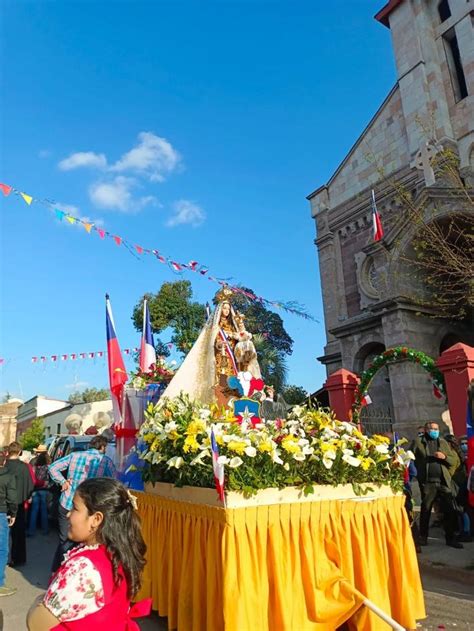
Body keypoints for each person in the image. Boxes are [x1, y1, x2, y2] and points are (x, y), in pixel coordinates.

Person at [26, 477, 151, 629]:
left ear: (96, 519)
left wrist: (38, 601)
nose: (68, 514)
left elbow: (37, 624)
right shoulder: (117, 553)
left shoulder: (84, 567)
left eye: (75, 508)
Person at [48, 435, 116, 573]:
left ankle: (57, 571)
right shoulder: (105, 461)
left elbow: (53, 467)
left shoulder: (74, 456)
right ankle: (75, 570)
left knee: (64, 539)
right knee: (84, 541)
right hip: (89, 508)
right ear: (103, 447)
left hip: (67, 502)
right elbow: (113, 481)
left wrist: (63, 482)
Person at [412, 422, 462, 548]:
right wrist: (417, 473)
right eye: (432, 429)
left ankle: (450, 539)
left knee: (449, 509)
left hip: (443, 481)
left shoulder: (443, 442)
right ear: (426, 430)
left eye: (436, 429)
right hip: (428, 483)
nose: (435, 431)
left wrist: (444, 456)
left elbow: (453, 460)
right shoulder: (418, 442)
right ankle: (423, 537)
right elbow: (409, 457)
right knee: (426, 509)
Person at [7, 441, 34, 566]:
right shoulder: (24, 467)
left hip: (4, 502)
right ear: (20, 452)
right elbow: (29, 485)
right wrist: (27, 497)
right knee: (18, 533)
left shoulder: (4, 465)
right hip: (19, 503)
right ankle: (17, 558)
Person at [0, 451, 17, 597]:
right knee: (2, 549)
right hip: (1, 513)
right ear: (4, 461)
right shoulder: (8, 476)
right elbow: (12, 498)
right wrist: (13, 514)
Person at [27, 447, 51, 537]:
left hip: (35, 490)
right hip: (44, 490)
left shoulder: (35, 466)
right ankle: (45, 529)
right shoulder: (48, 467)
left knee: (34, 510)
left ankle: (31, 530)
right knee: (44, 510)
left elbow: (32, 478)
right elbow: (49, 479)